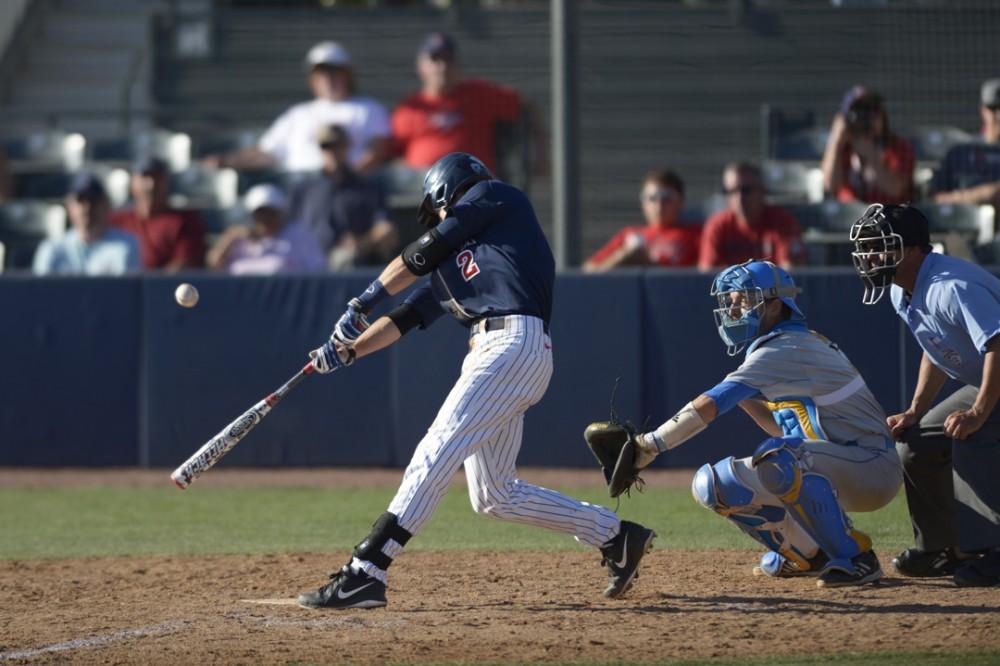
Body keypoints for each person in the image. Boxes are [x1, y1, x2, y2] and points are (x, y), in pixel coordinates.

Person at [297, 152, 655, 609]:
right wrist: (348, 351)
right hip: (498, 354)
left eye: (439, 207)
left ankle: (367, 569)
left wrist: (360, 302)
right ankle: (616, 536)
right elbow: (405, 318)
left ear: (449, 189)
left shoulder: (494, 197)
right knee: (494, 494)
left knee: (436, 449)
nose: (440, 216)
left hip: (512, 343)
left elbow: (421, 252)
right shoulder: (458, 264)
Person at [630, 259, 900, 587]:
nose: (733, 309)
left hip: (872, 466)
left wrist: (649, 444)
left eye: (743, 299)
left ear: (774, 306)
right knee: (714, 484)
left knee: (780, 456)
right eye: (730, 301)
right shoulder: (780, 346)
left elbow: (709, 404)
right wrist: (745, 395)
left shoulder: (790, 347)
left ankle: (857, 557)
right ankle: (806, 553)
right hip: (840, 464)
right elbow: (786, 427)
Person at [850, 203, 1000, 587]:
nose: (870, 256)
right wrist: (917, 410)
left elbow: (997, 344)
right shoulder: (903, 291)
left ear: (915, 249)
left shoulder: (951, 285)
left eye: (880, 245)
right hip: (990, 378)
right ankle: (940, 548)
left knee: (970, 434)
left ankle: (992, 550)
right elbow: (934, 346)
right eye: (867, 247)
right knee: (914, 442)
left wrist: (979, 412)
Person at [207, 41, 391, 174]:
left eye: (334, 72)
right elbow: (268, 152)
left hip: (347, 192)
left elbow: (378, 151)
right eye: (321, 74)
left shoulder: (369, 109)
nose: (328, 80)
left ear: (348, 75)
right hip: (298, 191)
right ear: (312, 80)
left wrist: (344, 180)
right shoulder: (298, 114)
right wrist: (227, 161)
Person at [391, 33, 524, 173]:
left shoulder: (479, 94)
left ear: (458, 65)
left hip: (471, 180)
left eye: (448, 59)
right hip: (422, 185)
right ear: (421, 67)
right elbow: (393, 155)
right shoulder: (411, 108)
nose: (442, 67)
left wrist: (542, 156)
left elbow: (523, 105)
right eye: (435, 59)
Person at [288, 125, 398, 269]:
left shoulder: (367, 188)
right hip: (308, 264)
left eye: (338, 145)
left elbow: (386, 228)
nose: (332, 151)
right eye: (327, 146)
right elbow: (287, 227)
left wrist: (363, 242)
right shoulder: (304, 189)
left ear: (347, 146)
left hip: (351, 266)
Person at [583, 169, 701, 271]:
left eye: (667, 199)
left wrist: (648, 263)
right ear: (642, 203)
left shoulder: (696, 234)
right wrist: (623, 256)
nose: (659, 206)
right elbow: (589, 270)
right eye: (652, 198)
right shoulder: (629, 234)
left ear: (681, 202)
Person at [698, 162, 805, 270]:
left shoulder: (782, 222)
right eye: (732, 191)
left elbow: (790, 272)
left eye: (746, 190)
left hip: (772, 286)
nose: (740, 198)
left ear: (762, 190)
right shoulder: (718, 225)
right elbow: (708, 274)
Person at [821, 85, 914, 205]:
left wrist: (870, 153)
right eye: (860, 113)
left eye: (874, 112)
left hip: (887, 218)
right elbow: (830, 186)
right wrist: (835, 140)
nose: (868, 119)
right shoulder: (843, 148)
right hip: (849, 219)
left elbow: (896, 190)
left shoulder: (899, 147)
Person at [33, 174, 141, 276]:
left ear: (105, 204)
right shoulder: (51, 249)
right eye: (80, 201)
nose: (87, 207)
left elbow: (124, 293)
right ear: (70, 207)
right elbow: (39, 292)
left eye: (93, 200)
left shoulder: (126, 246)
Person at [110, 157, 206, 270]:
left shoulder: (185, 221)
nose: (151, 185)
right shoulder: (116, 221)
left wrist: (148, 285)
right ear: (132, 183)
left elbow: (183, 265)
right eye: (145, 177)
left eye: (157, 178)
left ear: (166, 183)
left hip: (166, 287)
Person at [206, 183, 324, 275]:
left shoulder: (298, 234)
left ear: (280, 213)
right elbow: (214, 266)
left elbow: (318, 269)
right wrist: (229, 238)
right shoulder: (236, 239)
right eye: (260, 213)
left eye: (270, 213)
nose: (265, 218)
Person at [932, 78, 1000, 207]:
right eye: (994, 108)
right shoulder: (960, 153)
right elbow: (936, 199)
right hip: (960, 225)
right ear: (983, 111)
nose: (999, 115)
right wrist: (983, 194)